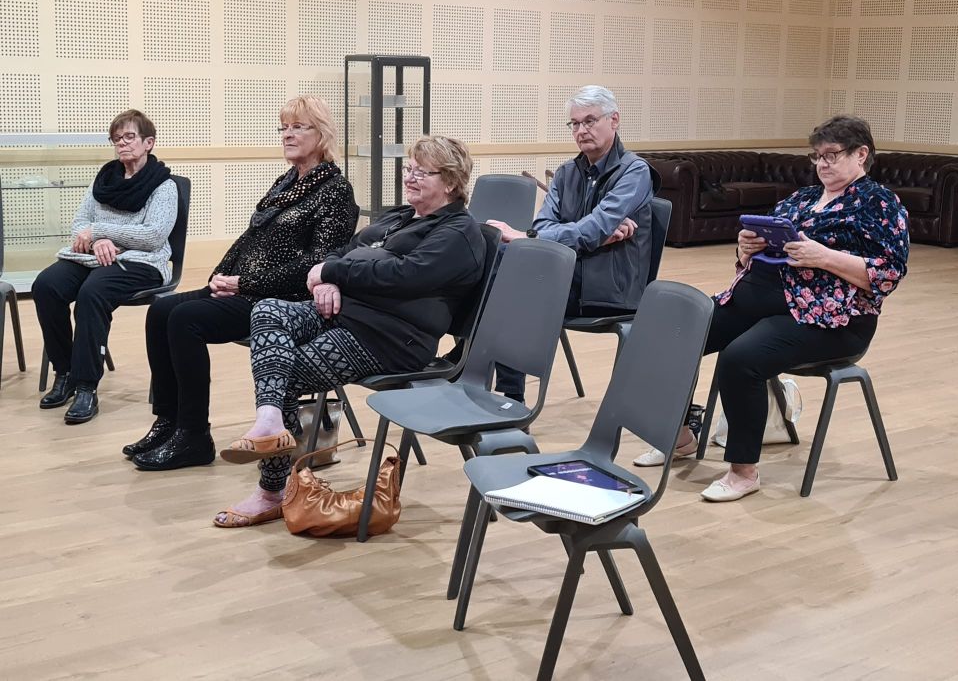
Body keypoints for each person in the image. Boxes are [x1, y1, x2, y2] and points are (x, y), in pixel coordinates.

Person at [213, 135, 486, 527]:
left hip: (387, 339)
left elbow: (404, 276)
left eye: (420, 172)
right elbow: (343, 250)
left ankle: (271, 491)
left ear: (450, 181)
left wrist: (334, 273)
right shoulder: (401, 217)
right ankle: (271, 422)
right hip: (346, 313)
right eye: (408, 169)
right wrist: (327, 280)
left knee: (283, 373)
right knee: (268, 309)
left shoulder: (458, 233)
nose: (409, 177)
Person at [641, 115, 909, 500]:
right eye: (817, 157)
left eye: (831, 156)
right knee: (671, 335)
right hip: (762, 300)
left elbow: (887, 275)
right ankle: (681, 436)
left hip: (831, 319)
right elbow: (765, 250)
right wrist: (745, 248)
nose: (822, 165)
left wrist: (824, 256)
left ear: (861, 154)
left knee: (740, 358)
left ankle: (743, 472)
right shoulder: (801, 198)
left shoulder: (879, 203)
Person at [125, 96, 359, 471]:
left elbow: (317, 263)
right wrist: (218, 276)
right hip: (246, 287)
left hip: (285, 301)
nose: (287, 135)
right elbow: (250, 239)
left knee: (186, 319)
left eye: (298, 127)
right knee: (161, 309)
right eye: (284, 127)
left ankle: (193, 435)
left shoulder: (335, 191)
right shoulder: (286, 182)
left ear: (323, 134)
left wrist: (243, 282)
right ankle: (168, 422)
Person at [486, 85, 660, 406]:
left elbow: (576, 231)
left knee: (511, 281)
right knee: (502, 267)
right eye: (575, 124)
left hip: (609, 287)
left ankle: (502, 390)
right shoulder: (568, 172)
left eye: (590, 121)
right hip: (568, 278)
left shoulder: (635, 172)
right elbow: (548, 227)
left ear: (614, 120)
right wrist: (588, 234)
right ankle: (504, 393)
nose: (581, 131)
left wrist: (581, 234)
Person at [33, 109, 178, 424]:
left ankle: (87, 386)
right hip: (92, 257)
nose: (122, 144)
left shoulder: (163, 186)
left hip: (142, 261)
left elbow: (153, 236)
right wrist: (95, 241)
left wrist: (102, 233)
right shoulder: (105, 178)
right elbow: (80, 223)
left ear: (148, 142)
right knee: (46, 286)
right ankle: (66, 371)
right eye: (117, 138)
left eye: (129, 137)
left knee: (92, 292)